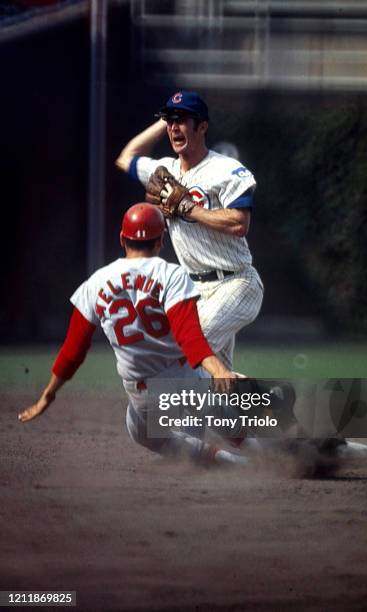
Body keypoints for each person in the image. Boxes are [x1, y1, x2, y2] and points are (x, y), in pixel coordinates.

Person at [18, 203, 248, 467]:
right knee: (224, 408)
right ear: (161, 241)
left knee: (139, 430)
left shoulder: (96, 282)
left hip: (143, 397)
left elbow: (73, 350)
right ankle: (269, 454)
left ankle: (235, 460)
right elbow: (190, 337)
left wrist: (48, 394)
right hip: (183, 382)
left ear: (121, 239)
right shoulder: (170, 274)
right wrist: (218, 369)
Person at [115, 90, 264, 370]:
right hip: (194, 290)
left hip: (236, 282)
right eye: (171, 120)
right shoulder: (165, 170)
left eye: (182, 120)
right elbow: (126, 158)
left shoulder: (225, 169)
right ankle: (262, 399)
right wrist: (164, 120)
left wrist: (188, 208)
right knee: (211, 382)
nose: (174, 127)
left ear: (203, 126)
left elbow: (239, 223)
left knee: (183, 352)